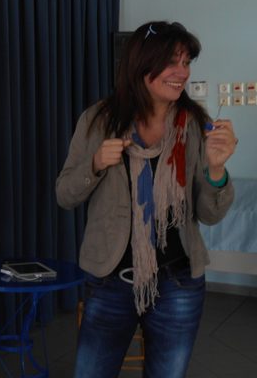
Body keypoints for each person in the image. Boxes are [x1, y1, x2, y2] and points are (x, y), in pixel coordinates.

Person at [56, 21, 237, 378]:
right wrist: (95, 164)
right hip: (109, 281)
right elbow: (64, 195)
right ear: (141, 65)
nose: (182, 72)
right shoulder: (97, 121)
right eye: (172, 62)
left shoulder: (195, 124)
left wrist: (217, 170)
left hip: (178, 284)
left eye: (186, 62)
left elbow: (209, 214)